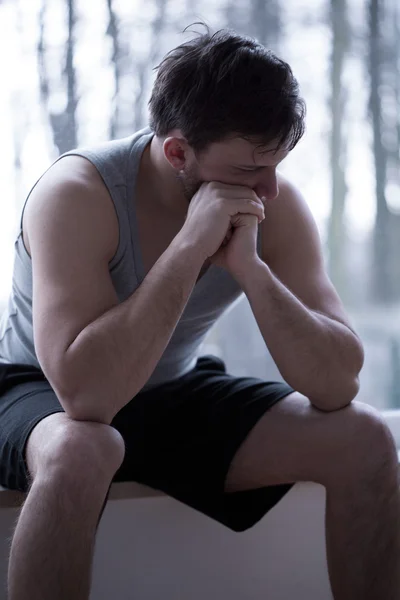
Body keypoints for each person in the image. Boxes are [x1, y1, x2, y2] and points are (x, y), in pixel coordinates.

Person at [0, 22, 399, 600]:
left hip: (171, 387)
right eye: (246, 172)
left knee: (364, 438)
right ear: (178, 152)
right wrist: (190, 247)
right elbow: (86, 397)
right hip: (38, 389)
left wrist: (251, 272)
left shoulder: (271, 199)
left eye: (275, 167)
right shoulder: (78, 193)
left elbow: (338, 383)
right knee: (81, 448)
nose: (269, 192)